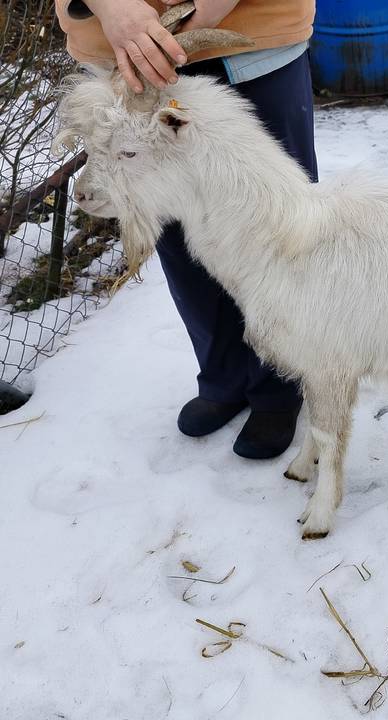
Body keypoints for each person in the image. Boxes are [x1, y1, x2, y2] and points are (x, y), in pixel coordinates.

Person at [55, 0, 317, 459]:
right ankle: (223, 375)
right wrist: (113, 9)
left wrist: (209, 10)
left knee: (275, 230)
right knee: (177, 233)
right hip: (120, 56)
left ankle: (281, 383)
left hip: (250, 45)